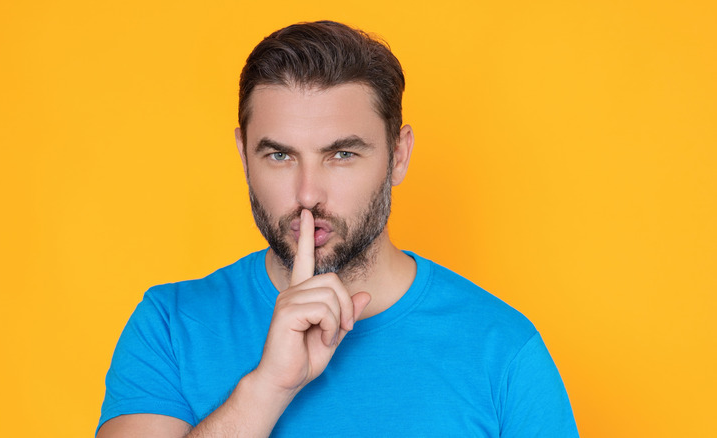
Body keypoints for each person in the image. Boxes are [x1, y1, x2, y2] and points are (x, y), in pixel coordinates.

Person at [97, 21, 579, 437]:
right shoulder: (170, 326)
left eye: (342, 155)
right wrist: (267, 388)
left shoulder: (504, 350)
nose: (308, 194)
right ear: (244, 154)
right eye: (279, 155)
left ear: (399, 155)